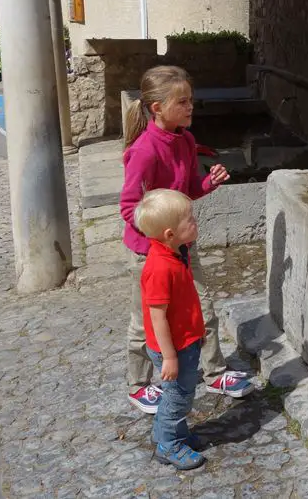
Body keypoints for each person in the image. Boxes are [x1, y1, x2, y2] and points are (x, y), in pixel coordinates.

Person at [120, 65, 254, 415]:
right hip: (149, 253)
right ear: (157, 108)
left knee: (201, 307)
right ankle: (138, 385)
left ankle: (215, 373)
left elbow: (187, 191)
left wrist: (208, 183)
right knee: (145, 318)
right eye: (182, 102)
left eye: (191, 100)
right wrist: (156, 245)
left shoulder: (186, 140)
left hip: (181, 247)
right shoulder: (145, 151)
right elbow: (128, 206)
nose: (190, 107)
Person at [134, 189, 207, 470]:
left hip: (186, 340)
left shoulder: (177, 252)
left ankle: (172, 433)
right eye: (189, 219)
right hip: (174, 347)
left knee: (181, 393)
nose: (195, 221)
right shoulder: (160, 268)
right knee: (177, 397)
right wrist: (170, 357)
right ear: (169, 234)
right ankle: (168, 444)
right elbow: (157, 317)